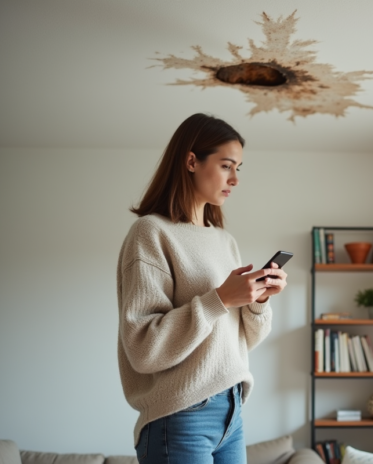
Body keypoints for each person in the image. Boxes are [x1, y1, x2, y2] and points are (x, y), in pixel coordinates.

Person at [116, 113, 287, 464]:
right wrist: (220, 299)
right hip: (180, 415)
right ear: (192, 161)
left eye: (238, 168)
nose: (235, 179)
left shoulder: (225, 242)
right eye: (227, 166)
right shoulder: (151, 233)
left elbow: (237, 342)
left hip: (232, 411)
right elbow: (143, 348)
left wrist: (258, 301)